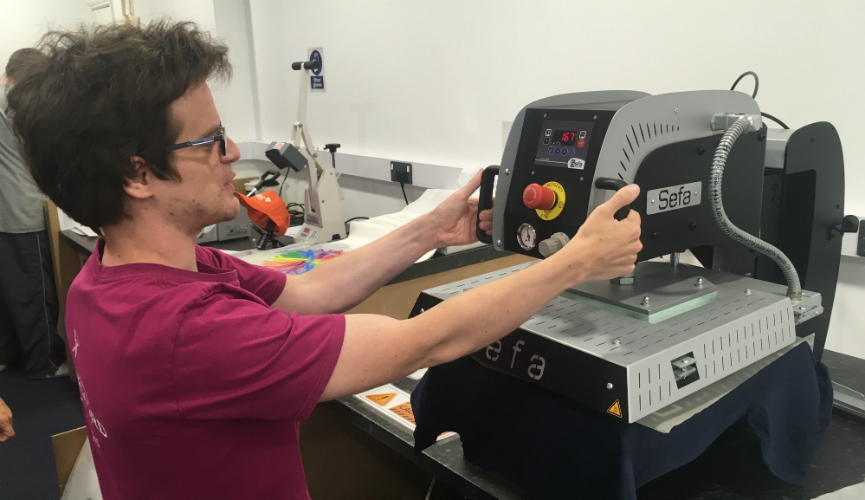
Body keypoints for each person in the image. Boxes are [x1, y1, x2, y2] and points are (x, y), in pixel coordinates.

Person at [8, 21, 642, 500]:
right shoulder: (187, 329)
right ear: (137, 175)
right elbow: (423, 340)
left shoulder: (115, 279)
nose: (233, 150)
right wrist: (576, 262)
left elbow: (309, 292)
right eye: (208, 141)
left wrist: (427, 229)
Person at [0, 48, 67, 378]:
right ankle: (46, 363)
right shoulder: (17, 105)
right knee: (36, 295)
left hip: (6, 215)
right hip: (27, 215)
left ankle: (7, 355)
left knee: (10, 294)